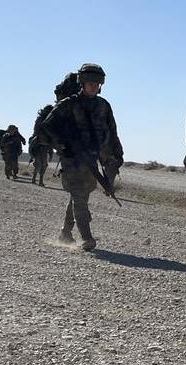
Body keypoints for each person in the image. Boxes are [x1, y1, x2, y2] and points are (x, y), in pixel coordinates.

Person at [37, 63, 124, 252]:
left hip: (92, 158)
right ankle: (87, 237)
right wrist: (64, 143)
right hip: (72, 158)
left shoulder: (103, 106)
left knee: (81, 195)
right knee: (78, 194)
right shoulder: (68, 104)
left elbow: (112, 131)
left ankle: (65, 232)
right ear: (82, 83)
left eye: (97, 83)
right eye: (90, 82)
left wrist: (116, 155)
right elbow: (47, 127)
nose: (94, 86)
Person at [28, 105, 54, 187]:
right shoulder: (40, 119)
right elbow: (36, 129)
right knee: (38, 164)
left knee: (44, 165)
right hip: (38, 145)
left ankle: (40, 181)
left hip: (46, 145)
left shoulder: (52, 119)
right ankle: (34, 179)